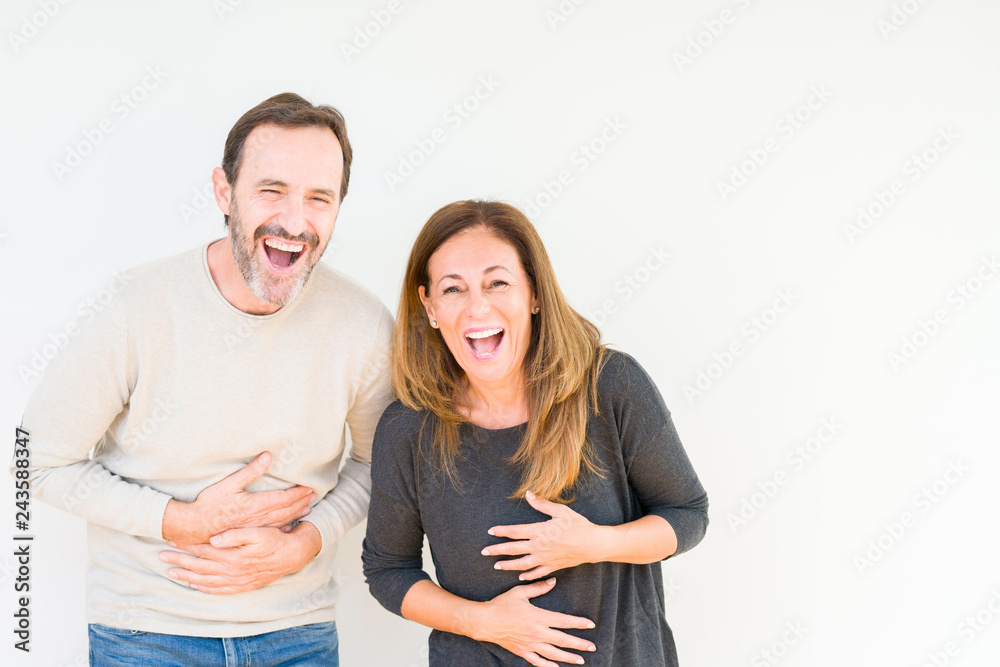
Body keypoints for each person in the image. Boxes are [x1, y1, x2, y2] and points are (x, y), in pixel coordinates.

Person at [20, 93, 393, 666]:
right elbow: (36, 460)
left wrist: (307, 541)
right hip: (146, 634)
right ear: (224, 191)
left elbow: (379, 462)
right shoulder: (136, 307)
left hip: (297, 632)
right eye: (272, 190)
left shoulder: (363, 323)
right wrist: (180, 521)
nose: (295, 222)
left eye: (319, 198)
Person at [362, 200, 709, 666]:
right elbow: (387, 570)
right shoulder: (407, 428)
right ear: (430, 307)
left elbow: (687, 515)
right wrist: (482, 622)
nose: (477, 306)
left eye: (497, 282)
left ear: (535, 294)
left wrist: (594, 544)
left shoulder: (610, 385)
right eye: (453, 289)